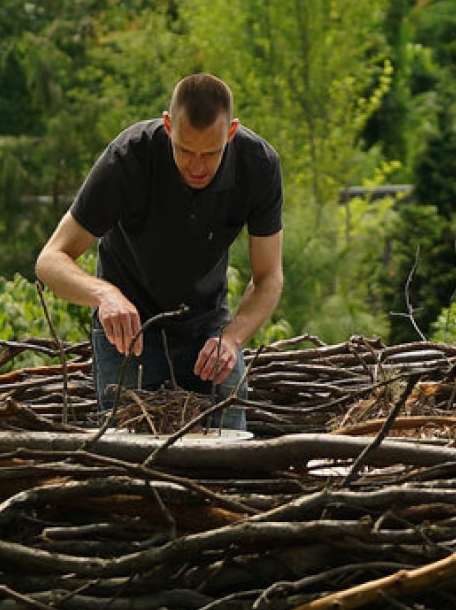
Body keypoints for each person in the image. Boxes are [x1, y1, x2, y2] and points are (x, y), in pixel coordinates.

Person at [35, 74, 283, 431]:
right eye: (185, 150)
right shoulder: (127, 157)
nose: (197, 167)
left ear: (231, 133)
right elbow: (50, 259)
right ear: (168, 126)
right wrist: (105, 294)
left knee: (230, 463)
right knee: (129, 469)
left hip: (210, 333)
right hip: (127, 338)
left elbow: (269, 277)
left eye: (210, 154)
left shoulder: (258, 164)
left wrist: (231, 339)